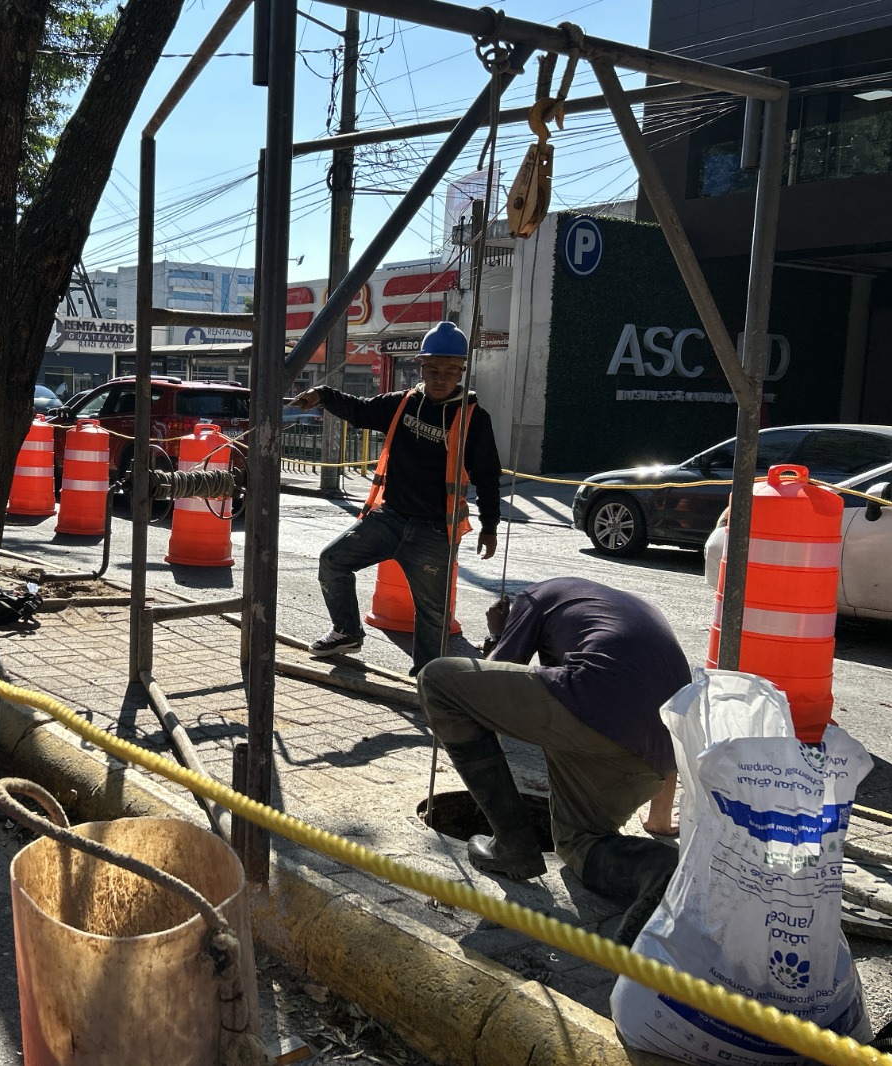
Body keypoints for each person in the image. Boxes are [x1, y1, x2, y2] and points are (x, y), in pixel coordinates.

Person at [417, 577, 689, 945]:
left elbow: (483, 695)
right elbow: (660, 716)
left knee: (438, 681)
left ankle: (512, 845)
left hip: (595, 701)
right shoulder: (616, 609)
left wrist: (499, 635)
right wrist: (659, 819)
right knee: (578, 840)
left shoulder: (534, 597)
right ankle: (659, 870)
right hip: (657, 754)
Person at [289, 320, 501, 674]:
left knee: (433, 613)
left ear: (462, 371)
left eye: (450, 370)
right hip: (389, 519)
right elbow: (360, 409)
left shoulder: (474, 419)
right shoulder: (402, 404)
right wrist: (322, 394)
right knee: (332, 561)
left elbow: (488, 477)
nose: (440, 378)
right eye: (433, 369)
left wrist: (489, 526)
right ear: (421, 368)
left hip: (434, 531)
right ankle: (347, 632)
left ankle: (428, 677)